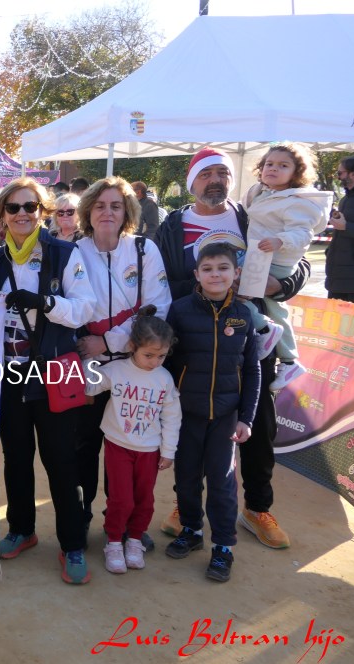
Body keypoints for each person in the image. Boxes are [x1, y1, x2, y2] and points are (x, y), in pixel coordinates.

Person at [155, 147, 309, 550]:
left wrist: (282, 286)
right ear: (192, 182)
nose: (216, 180)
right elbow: (159, 280)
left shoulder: (251, 214)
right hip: (192, 342)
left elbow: (297, 261)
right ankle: (186, 507)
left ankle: (256, 509)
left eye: (223, 173)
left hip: (250, 335)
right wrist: (207, 286)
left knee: (257, 426)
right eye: (206, 174)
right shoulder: (172, 226)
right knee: (191, 430)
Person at [0, 177, 96, 584]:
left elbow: (85, 308)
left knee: (61, 460)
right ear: (1, 215)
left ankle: (72, 544)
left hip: (54, 372)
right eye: (13, 208)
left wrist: (45, 303)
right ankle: (21, 529)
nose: (22, 214)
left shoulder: (64, 253)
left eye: (30, 206)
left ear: (42, 211)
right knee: (16, 458)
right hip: (9, 374)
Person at [73, 177, 172, 551]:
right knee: (84, 450)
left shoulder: (144, 250)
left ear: (128, 210)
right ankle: (80, 518)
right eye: (100, 205)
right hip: (89, 368)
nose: (107, 212)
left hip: (135, 371)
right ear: (88, 211)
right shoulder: (73, 251)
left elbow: (158, 307)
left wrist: (109, 341)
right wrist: (93, 348)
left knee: (128, 453)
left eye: (116, 205)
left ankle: (126, 525)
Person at [164, 243, 260, 583]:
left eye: (223, 268)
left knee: (222, 482)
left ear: (236, 273)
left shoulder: (245, 315)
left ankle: (223, 546)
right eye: (207, 268)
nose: (215, 274)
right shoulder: (179, 310)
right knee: (186, 477)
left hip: (226, 416)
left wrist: (246, 417)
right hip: (186, 413)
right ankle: (191, 529)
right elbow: (168, 363)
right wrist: (165, 411)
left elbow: (253, 370)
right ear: (196, 274)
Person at [84, 307, 180, 574]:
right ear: (132, 347)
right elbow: (90, 385)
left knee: (144, 500)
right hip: (118, 446)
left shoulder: (164, 379)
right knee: (121, 500)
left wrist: (168, 451)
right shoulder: (116, 370)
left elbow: (172, 417)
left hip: (150, 450)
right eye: (149, 355)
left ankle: (135, 540)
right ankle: (114, 542)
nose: (155, 362)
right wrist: (82, 362)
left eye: (161, 356)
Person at [242, 143, 331, 391]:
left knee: (235, 292)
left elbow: (303, 233)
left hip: (275, 261)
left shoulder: (298, 201)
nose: (273, 169)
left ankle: (264, 327)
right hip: (262, 257)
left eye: (283, 165)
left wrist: (280, 241)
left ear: (296, 173)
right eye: (269, 164)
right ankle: (290, 360)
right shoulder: (262, 193)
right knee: (276, 308)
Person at [326, 154, 354, 304]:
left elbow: (345, 227)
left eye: (340, 173)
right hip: (338, 276)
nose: (338, 177)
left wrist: (346, 227)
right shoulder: (346, 199)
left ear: (353, 174)